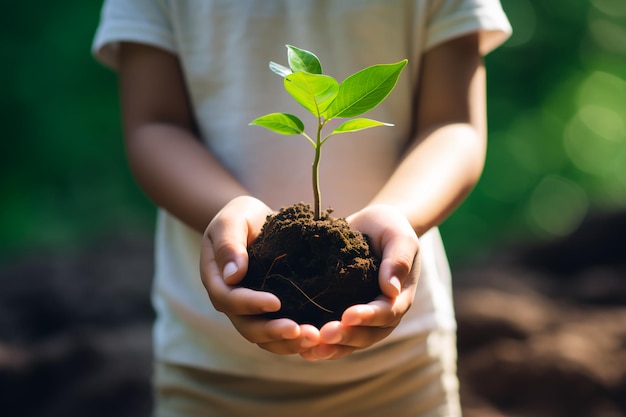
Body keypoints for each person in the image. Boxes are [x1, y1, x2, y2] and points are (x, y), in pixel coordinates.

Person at [93, 1, 511, 416]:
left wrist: (399, 216)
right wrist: (228, 211)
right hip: (211, 367)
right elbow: (155, 124)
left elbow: (453, 123)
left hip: (401, 365)